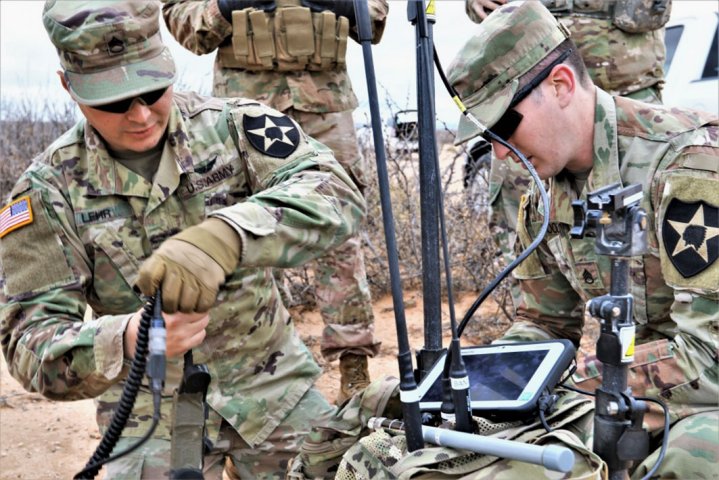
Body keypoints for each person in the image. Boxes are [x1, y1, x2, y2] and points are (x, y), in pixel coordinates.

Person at [0, 1, 367, 478]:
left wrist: (231, 234)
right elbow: (30, 345)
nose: (140, 115)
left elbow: (336, 191)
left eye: (153, 90)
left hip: (273, 387)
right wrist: (127, 339)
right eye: (112, 100)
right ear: (68, 86)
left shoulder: (232, 125)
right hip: (149, 413)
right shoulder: (47, 192)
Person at [446, 1, 718, 477]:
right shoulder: (543, 192)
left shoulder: (687, 165)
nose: (498, 151)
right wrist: (493, 381)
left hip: (702, 383)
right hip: (651, 385)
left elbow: (709, 356)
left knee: (691, 456)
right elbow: (544, 321)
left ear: (561, 85)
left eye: (504, 126)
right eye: (486, 135)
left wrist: (570, 382)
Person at [161, 0, 388, 404]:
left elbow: (373, 16)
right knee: (247, 233)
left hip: (324, 104)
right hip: (244, 112)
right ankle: (260, 370)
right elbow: (185, 25)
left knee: (339, 234)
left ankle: (354, 366)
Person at [464, 0, 670, 313]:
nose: (500, 151)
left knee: (643, 234)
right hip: (526, 88)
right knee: (526, 226)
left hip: (627, 82)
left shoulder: (672, 154)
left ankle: (637, 333)